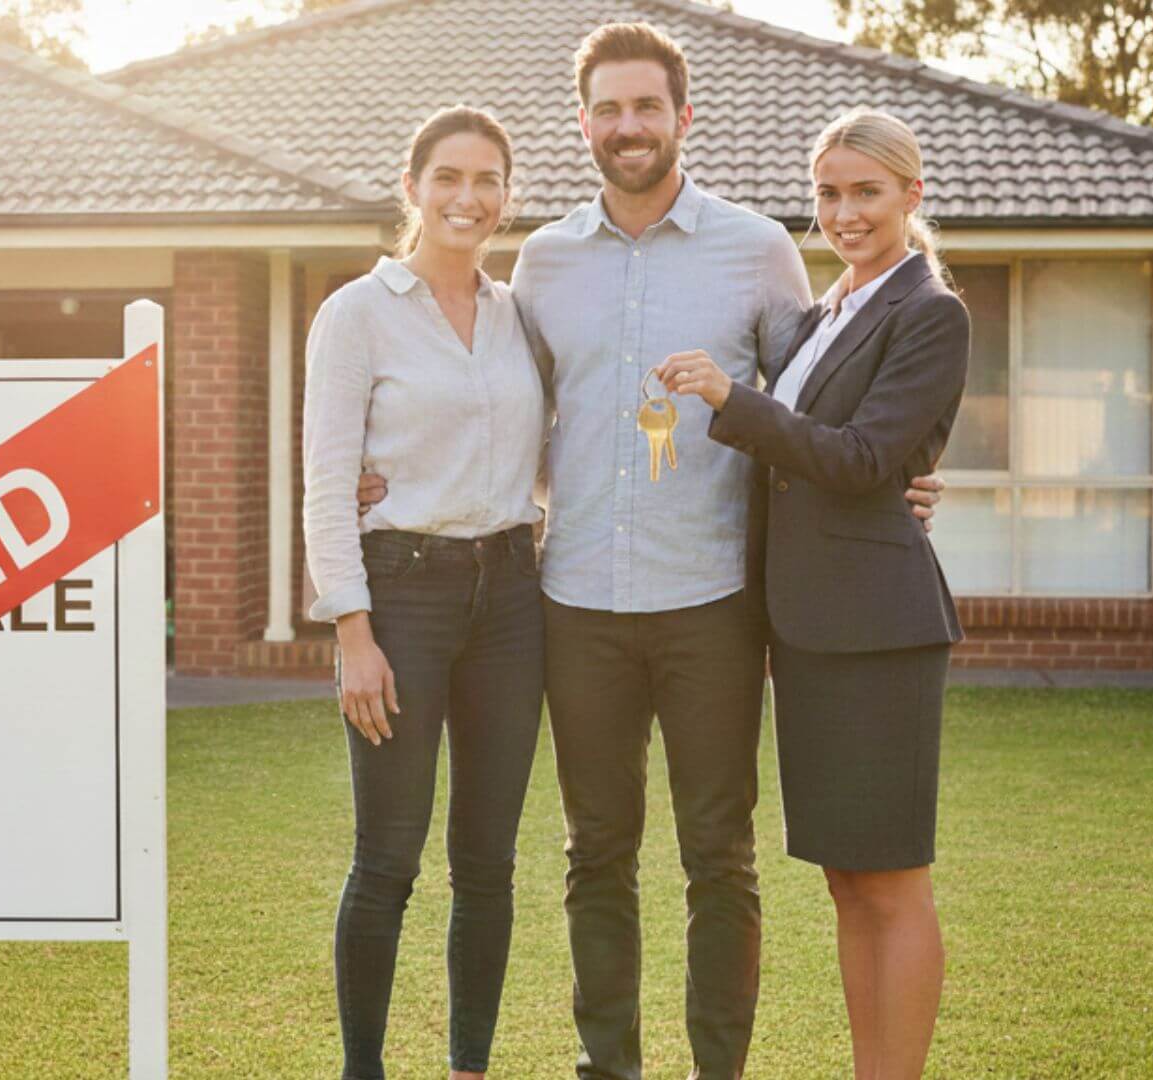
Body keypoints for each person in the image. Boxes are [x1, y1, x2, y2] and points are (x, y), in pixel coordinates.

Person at [357, 22, 945, 1080]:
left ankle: (718, 1069)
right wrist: (388, 474)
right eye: (609, 109)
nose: (629, 127)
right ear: (584, 123)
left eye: (648, 107)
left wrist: (896, 470)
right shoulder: (541, 261)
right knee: (597, 855)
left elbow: (816, 402)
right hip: (575, 597)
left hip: (715, 597)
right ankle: (608, 1067)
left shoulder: (760, 249)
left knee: (721, 856)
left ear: (683, 117)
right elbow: (497, 403)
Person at [658, 107, 967, 1080]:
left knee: (893, 881)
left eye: (867, 192)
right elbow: (815, 466)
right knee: (847, 881)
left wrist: (726, 400)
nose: (844, 212)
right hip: (810, 630)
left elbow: (866, 456)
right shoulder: (824, 314)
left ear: (912, 196)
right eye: (829, 193)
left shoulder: (930, 311)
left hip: (878, 633)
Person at [301, 105, 547, 1080]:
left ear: (505, 197)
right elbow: (327, 478)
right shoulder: (358, 313)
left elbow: (567, 442)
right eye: (448, 177)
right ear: (412, 188)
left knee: (487, 862)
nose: (469, 197)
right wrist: (351, 630)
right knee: (389, 859)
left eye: (488, 180)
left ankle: (467, 1069)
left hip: (513, 597)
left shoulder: (518, 314)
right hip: (402, 597)